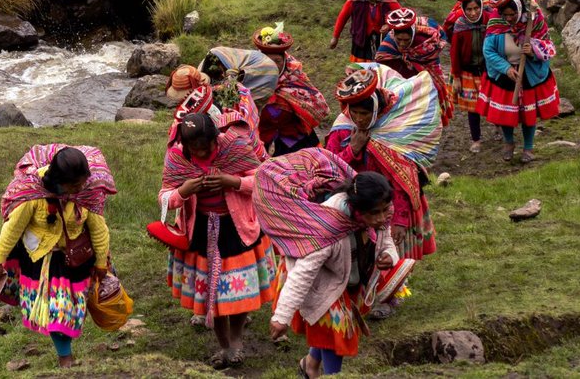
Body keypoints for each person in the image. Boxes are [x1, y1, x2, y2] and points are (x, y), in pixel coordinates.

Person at [256, 149, 406, 378]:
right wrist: (282, 316)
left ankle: (309, 365)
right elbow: (303, 273)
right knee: (337, 332)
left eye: (385, 211)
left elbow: (384, 235)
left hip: (345, 276)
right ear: (357, 210)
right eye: (374, 213)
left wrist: (389, 256)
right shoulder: (326, 229)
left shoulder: (377, 211)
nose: (381, 217)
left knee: (330, 332)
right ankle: (330, 375)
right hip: (318, 281)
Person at [148, 109, 274, 369]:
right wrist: (183, 191)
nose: (201, 152)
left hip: (236, 228)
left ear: (216, 138)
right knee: (213, 295)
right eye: (194, 148)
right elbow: (165, 197)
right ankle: (225, 344)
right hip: (200, 230)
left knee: (240, 292)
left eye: (206, 146)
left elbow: (262, 180)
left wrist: (233, 182)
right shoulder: (176, 156)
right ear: (185, 144)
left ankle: (236, 340)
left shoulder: (235, 147)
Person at [325, 63, 441, 318]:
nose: (358, 119)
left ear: (376, 107)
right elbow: (330, 170)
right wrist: (353, 149)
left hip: (390, 201)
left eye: (364, 114)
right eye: (353, 112)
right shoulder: (343, 130)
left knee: (388, 250)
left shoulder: (394, 127)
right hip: (357, 203)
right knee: (361, 251)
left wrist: (399, 218)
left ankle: (389, 296)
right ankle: (359, 295)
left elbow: (403, 177)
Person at [0, 145, 116, 369]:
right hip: (45, 264)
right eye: (74, 185)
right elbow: (11, 230)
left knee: (72, 310)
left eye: (82, 183)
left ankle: (65, 352)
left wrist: (100, 262)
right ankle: (65, 357)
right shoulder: (32, 196)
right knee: (58, 312)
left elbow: (98, 229)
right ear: (59, 180)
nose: (80, 189)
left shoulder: (86, 194)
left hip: (76, 261)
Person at [480, 0, 560, 163]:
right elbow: (488, 51)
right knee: (505, 113)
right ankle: (509, 143)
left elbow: (548, 46)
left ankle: (528, 148)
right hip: (506, 75)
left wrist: (532, 51)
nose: (509, 18)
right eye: (506, 15)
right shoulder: (496, 25)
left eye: (512, 14)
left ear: (519, 10)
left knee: (528, 114)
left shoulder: (534, 22)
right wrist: (506, 68)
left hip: (528, 74)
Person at [253, 24, 329, 156]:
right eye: (267, 61)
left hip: (297, 142)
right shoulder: (251, 82)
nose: (273, 66)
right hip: (262, 143)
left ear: (285, 60)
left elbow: (317, 106)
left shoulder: (295, 79)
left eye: (277, 61)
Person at [376, 8, 452, 127]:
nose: (401, 44)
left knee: (427, 106)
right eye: (398, 39)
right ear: (393, 35)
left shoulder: (426, 43)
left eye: (406, 40)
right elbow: (382, 69)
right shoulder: (389, 45)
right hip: (403, 80)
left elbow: (433, 60)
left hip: (426, 78)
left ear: (412, 35)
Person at [441, 0, 493, 154]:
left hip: (489, 70)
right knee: (473, 109)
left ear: (481, 6)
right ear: (463, 9)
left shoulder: (489, 21)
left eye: (476, 8)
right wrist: (456, 77)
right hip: (468, 72)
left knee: (494, 102)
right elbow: (454, 53)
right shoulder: (460, 26)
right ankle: (476, 139)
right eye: (469, 9)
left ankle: (500, 129)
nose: (473, 13)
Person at [330, 0, 404, 62]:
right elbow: (343, 17)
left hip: (383, 38)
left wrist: (389, 25)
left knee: (383, 66)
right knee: (362, 69)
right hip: (362, 38)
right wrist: (335, 37)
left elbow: (401, 15)